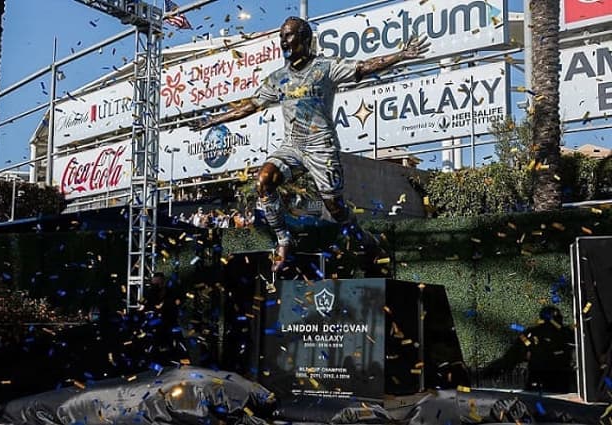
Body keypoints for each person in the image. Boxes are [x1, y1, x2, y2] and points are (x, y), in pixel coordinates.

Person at [188, 17, 429, 271]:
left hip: (320, 147)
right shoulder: (278, 78)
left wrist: (401, 54)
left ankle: (367, 242)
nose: (284, 41)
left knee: (335, 208)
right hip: (292, 147)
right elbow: (249, 105)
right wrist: (214, 119)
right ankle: (283, 240)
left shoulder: (325, 68)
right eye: (281, 36)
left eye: (289, 35)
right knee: (264, 181)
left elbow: (366, 66)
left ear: (305, 39)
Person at [482, 306, 576, 393]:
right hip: (548, 383)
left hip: (549, 383)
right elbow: (511, 357)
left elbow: (511, 358)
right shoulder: (566, 334)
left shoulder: (533, 333)